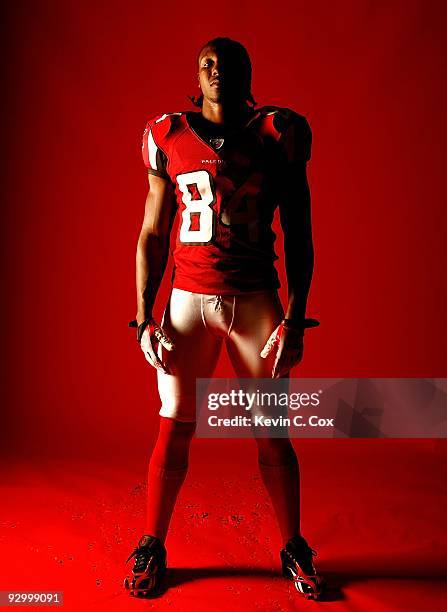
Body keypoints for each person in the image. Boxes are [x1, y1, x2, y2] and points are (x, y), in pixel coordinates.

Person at [124, 37, 323, 600]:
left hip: (257, 299)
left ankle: (293, 545)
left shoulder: (277, 133)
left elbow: (301, 231)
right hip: (187, 300)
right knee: (175, 424)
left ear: (247, 71)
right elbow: (153, 232)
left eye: (227, 62)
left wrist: (298, 311)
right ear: (196, 75)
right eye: (206, 63)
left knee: (272, 432)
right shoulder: (168, 135)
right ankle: (151, 542)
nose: (216, 70)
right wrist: (143, 316)